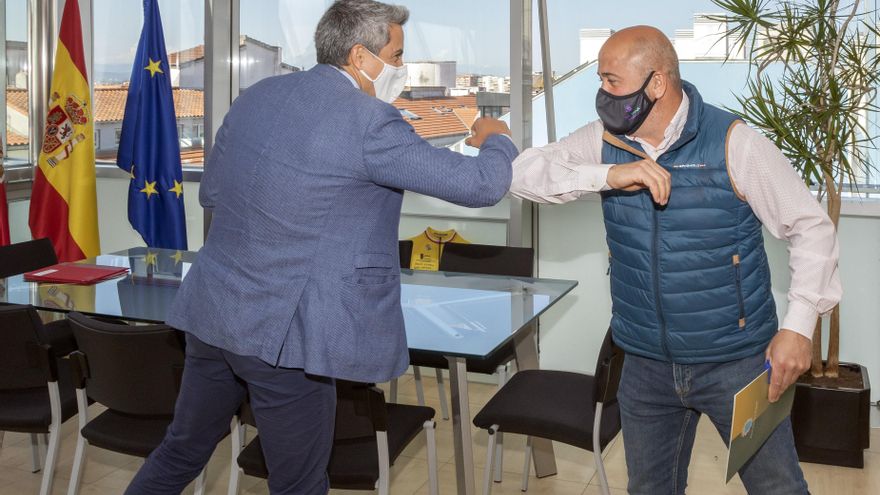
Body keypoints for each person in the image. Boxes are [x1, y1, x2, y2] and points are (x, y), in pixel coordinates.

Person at [125, 1, 517, 493]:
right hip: (285, 336)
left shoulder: (257, 96)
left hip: (213, 312)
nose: (399, 68)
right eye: (396, 56)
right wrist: (496, 138)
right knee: (300, 483)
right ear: (360, 55)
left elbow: (214, 194)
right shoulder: (369, 121)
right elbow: (480, 186)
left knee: (181, 449)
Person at [510, 25, 840, 495]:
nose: (602, 93)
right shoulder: (604, 140)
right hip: (645, 367)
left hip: (738, 363)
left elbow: (811, 226)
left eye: (611, 80)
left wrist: (798, 327)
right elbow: (522, 173)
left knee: (778, 487)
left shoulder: (734, 141)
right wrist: (610, 173)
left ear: (657, 83)